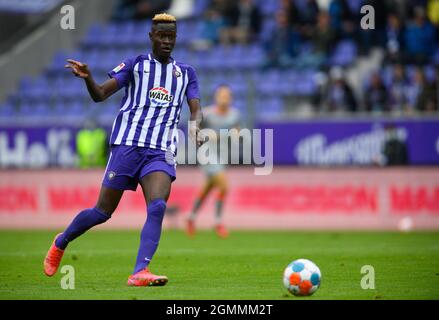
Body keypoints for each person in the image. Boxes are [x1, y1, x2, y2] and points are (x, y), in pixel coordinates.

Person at [43, 13, 204, 287]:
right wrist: (87, 78)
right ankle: (61, 241)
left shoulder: (186, 73)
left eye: (172, 37)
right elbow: (100, 95)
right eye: (162, 36)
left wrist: (196, 127)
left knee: (158, 206)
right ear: (151, 37)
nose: (167, 41)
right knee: (102, 212)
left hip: (160, 150)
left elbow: (196, 108)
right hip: (127, 147)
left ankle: (140, 271)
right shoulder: (136, 65)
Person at [186, 85, 240, 239]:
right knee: (224, 186)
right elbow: (193, 130)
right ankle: (218, 221)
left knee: (208, 188)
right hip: (207, 155)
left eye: (227, 96)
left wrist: (237, 134)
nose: (224, 99)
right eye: (221, 95)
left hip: (223, 155)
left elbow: (237, 129)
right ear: (216, 97)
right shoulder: (207, 114)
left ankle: (190, 217)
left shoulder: (235, 114)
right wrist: (207, 135)